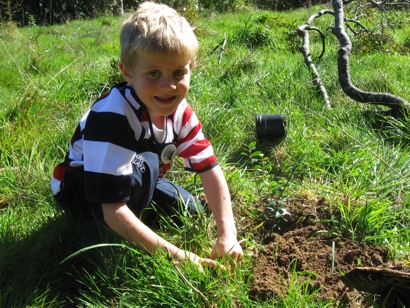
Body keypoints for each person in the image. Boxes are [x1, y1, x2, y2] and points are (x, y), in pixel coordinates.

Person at [51, 1, 243, 270]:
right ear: (128, 73)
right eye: (154, 73)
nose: (169, 86)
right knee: (150, 162)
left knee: (190, 210)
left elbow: (209, 167)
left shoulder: (180, 112)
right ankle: (116, 236)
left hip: (133, 173)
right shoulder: (113, 116)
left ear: (191, 68)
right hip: (82, 188)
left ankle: (142, 214)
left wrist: (228, 234)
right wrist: (182, 259)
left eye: (178, 72)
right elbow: (112, 209)